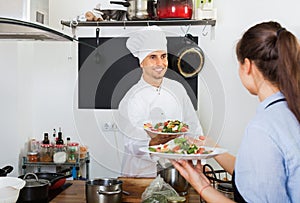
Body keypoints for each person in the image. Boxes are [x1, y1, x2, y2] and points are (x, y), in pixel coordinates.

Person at [172, 21, 300, 202]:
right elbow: (257, 173)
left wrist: (203, 187)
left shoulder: (263, 129)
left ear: (247, 66)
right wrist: (212, 148)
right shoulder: (288, 112)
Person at [115, 26, 203, 177]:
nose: (160, 63)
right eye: (152, 57)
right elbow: (130, 143)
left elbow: (193, 126)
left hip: (176, 171)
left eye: (163, 56)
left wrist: (200, 161)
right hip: (141, 174)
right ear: (141, 62)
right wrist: (154, 141)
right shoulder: (131, 98)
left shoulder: (178, 89)